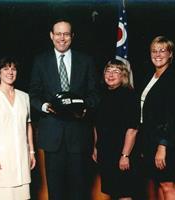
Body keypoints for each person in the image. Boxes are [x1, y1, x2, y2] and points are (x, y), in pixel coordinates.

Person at [29, 18, 99, 200]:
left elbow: (94, 94)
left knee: (79, 190)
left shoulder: (86, 61)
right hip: (53, 136)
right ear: (51, 36)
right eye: (58, 34)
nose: (62, 38)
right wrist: (45, 106)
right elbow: (34, 94)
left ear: (72, 36)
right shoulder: (40, 61)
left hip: (78, 134)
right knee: (56, 190)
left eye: (66, 34)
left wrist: (85, 109)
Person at [0, 57, 36, 200]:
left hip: (21, 158)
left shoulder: (24, 97)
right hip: (0, 159)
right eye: (5, 68)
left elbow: (27, 126)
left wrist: (31, 152)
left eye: (13, 69)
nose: (10, 72)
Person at [139, 36, 175, 199]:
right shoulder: (150, 77)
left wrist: (163, 146)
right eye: (154, 51)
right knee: (159, 183)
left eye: (162, 50)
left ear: (170, 54)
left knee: (168, 184)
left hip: (165, 141)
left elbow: (173, 115)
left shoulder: (173, 79)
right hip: (149, 139)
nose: (158, 54)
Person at [92, 59, 139, 200]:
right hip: (106, 153)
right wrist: (95, 147)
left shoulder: (129, 96)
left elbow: (132, 129)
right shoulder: (102, 95)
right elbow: (96, 125)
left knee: (124, 194)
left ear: (123, 75)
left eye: (116, 71)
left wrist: (125, 155)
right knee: (115, 192)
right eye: (108, 70)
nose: (111, 75)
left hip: (123, 153)